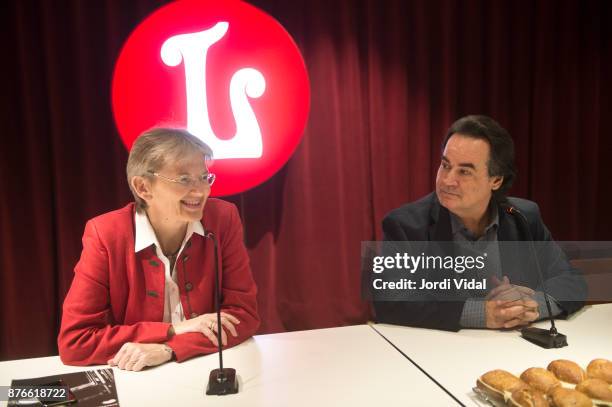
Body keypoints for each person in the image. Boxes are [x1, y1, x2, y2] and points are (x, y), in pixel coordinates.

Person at [58, 128, 259, 371]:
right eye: (184, 179)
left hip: (203, 366)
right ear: (143, 187)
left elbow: (243, 316)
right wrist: (172, 329)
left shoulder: (223, 218)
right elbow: (76, 342)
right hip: (138, 380)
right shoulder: (106, 234)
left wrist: (171, 348)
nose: (201, 191)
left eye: (204, 177)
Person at [374, 115, 586, 331]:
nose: (447, 180)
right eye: (445, 165)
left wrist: (529, 306)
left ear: (496, 180)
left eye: (464, 171)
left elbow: (571, 280)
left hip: (514, 350)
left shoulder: (523, 216)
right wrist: (483, 314)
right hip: (438, 352)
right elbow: (390, 300)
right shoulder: (405, 225)